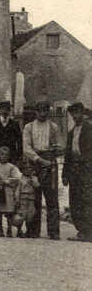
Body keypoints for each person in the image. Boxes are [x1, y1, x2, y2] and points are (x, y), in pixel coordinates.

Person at [22, 100, 62, 239]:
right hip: (35, 162)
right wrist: (39, 159)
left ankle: (53, 232)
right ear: (35, 112)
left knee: (52, 197)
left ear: (48, 111)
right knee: (34, 197)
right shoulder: (28, 127)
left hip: (50, 162)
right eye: (40, 111)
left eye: (45, 111)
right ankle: (33, 230)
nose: (43, 113)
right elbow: (26, 148)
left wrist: (55, 150)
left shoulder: (54, 127)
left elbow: (59, 145)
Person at [62, 102, 92, 242]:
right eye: (73, 113)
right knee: (75, 200)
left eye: (77, 112)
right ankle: (81, 231)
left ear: (83, 112)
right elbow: (68, 155)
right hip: (73, 169)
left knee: (87, 200)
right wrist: (65, 174)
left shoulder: (89, 129)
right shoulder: (71, 132)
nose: (75, 116)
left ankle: (89, 231)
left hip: (86, 170)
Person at [0, 146, 21, 237]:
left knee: (9, 212)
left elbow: (17, 178)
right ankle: (0, 229)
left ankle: (9, 229)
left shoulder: (12, 167)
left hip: (8, 191)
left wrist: (6, 181)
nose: (3, 157)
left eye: (6, 155)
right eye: (1, 154)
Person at [12, 158, 40, 238]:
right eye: (25, 168)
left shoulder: (34, 178)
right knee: (21, 215)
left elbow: (37, 185)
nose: (28, 170)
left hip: (31, 198)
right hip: (23, 199)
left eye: (30, 168)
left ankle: (28, 231)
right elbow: (18, 190)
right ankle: (19, 230)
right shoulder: (21, 179)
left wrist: (32, 180)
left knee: (30, 215)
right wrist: (17, 199)